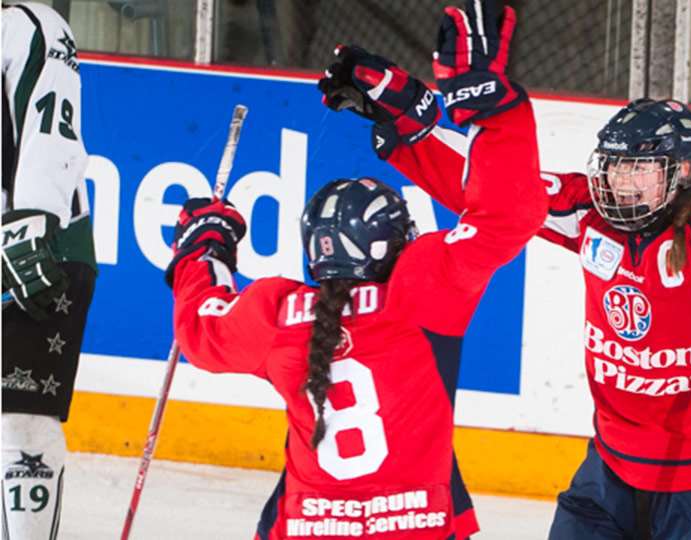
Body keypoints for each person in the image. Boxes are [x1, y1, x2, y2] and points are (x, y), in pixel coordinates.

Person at [386, 94, 691, 537]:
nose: (621, 183)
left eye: (639, 169)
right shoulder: (588, 214)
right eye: (615, 168)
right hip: (611, 470)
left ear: (682, 172)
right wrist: (406, 132)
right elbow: (496, 192)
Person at [165, 1, 543, 538]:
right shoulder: (424, 290)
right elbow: (509, 212)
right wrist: (489, 107)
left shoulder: (276, 311)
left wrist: (204, 249)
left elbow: (201, 328)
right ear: (399, 243)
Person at [2, 3, 96, 538]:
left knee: (19, 419)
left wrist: (29, 221)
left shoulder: (28, 23)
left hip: (39, 244)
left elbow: (50, 117)